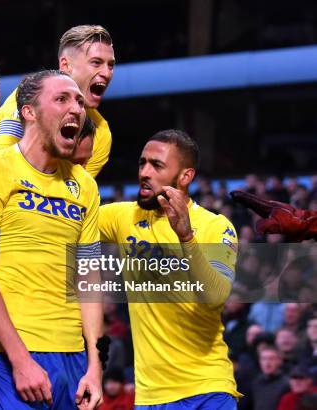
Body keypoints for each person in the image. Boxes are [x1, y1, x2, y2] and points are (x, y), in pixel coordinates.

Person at [0, 70, 103, 409]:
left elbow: (89, 282)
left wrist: (95, 366)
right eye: (61, 99)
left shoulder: (85, 186)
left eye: (78, 100)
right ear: (28, 112)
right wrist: (20, 360)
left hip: (74, 359)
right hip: (8, 354)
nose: (76, 108)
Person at [99, 129, 241, 409]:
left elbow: (216, 296)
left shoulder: (216, 226)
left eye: (157, 165)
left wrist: (187, 238)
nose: (144, 172)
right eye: (142, 163)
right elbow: (67, 218)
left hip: (207, 389)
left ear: (185, 176)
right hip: (151, 396)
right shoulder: (123, 216)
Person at [0, 25, 115, 178]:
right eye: (96, 63)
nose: (107, 73)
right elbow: (0, 166)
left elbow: (79, 192)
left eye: (110, 65)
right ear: (66, 66)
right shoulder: (32, 95)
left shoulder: (102, 134)